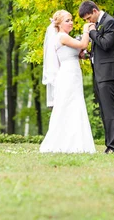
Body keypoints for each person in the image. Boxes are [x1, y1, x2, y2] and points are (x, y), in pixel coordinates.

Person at [40, 10, 96, 153]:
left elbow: (78, 52)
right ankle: (61, 143)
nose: (71, 22)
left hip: (74, 74)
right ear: (58, 24)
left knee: (75, 105)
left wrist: (83, 55)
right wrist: (86, 30)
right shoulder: (61, 37)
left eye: (71, 20)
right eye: (67, 20)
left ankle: (77, 143)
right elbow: (83, 44)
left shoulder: (66, 38)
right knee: (67, 106)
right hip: (67, 76)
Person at [78, 0, 114, 154]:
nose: (88, 21)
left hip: (108, 72)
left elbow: (106, 44)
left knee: (110, 110)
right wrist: (88, 55)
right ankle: (109, 144)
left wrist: (91, 32)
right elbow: (100, 50)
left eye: (88, 18)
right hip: (99, 71)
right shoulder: (97, 24)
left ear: (95, 11)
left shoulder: (110, 22)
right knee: (104, 109)